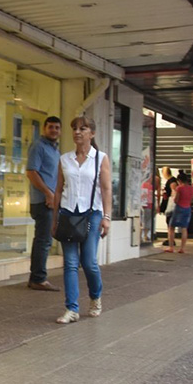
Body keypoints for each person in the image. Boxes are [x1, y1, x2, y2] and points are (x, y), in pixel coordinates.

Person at [53, 115, 111, 324]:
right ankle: (72, 309)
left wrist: (106, 217)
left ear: (91, 133)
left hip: (91, 214)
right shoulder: (64, 159)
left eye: (83, 129)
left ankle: (95, 297)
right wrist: (55, 219)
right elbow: (59, 190)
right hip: (68, 213)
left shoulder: (100, 158)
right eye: (75, 128)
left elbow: (106, 189)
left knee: (89, 262)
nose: (78, 132)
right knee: (70, 263)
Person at [25, 116, 62, 291]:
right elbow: (31, 172)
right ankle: (38, 278)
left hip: (51, 201)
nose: (54, 130)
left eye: (57, 128)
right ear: (44, 129)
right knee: (43, 239)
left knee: (45, 239)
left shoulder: (55, 149)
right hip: (42, 201)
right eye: (51, 127)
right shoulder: (38, 146)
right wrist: (48, 193)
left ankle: (37, 276)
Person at [165, 172, 193, 254]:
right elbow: (191, 200)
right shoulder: (191, 188)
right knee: (184, 228)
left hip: (179, 208)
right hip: (187, 208)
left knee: (171, 227)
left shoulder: (179, 188)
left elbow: (176, 200)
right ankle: (182, 248)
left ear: (179, 180)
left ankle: (171, 247)